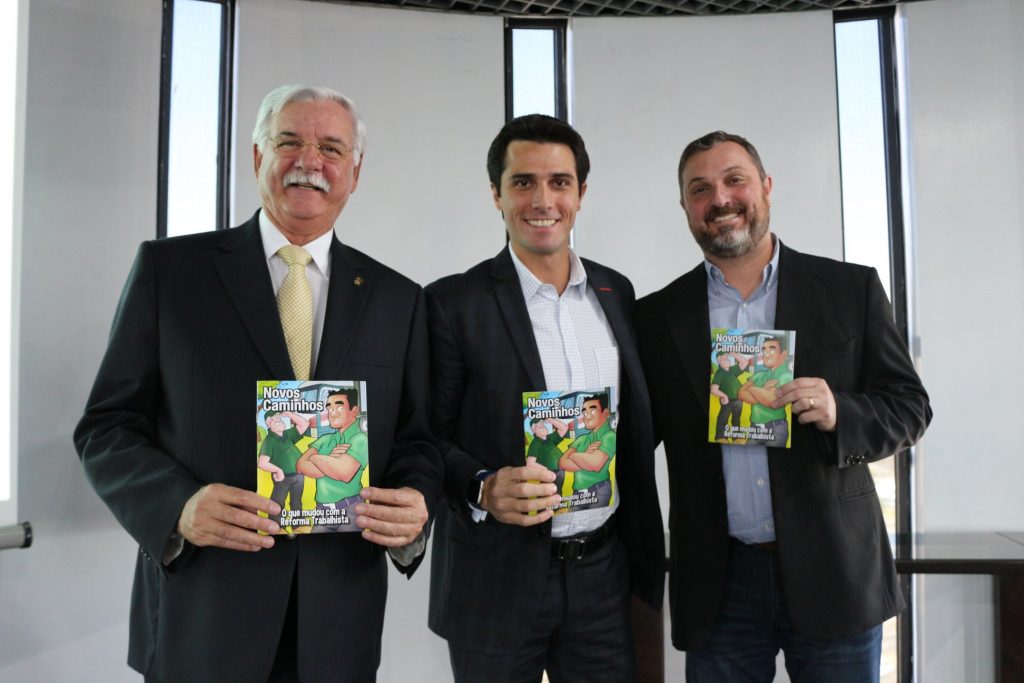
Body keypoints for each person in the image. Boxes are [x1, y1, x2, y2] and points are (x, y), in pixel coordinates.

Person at [74, 83, 440, 683]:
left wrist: (415, 504)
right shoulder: (172, 272)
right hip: (203, 611)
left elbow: (416, 439)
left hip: (338, 625)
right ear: (256, 157)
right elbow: (107, 427)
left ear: (355, 171)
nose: (309, 162)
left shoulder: (398, 299)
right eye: (289, 142)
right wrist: (178, 507)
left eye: (331, 148)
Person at [636, 131, 932, 682]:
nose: (720, 199)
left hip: (834, 571)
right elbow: (631, 434)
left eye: (735, 180)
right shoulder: (656, 316)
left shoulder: (850, 289)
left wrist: (841, 412)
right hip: (719, 583)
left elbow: (910, 407)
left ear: (766, 187)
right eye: (700, 189)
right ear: (685, 207)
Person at [426, 114, 664, 682]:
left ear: (581, 193)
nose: (542, 200)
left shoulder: (615, 291)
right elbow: (424, 436)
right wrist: (481, 487)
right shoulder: (453, 303)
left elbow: (634, 423)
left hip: (602, 574)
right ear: (496, 194)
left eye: (559, 182)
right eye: (523, 182)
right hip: (495, 577)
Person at [297, 387, 368, 532]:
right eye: (329, 409)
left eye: (339, 408)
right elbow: (300, 465)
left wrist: (315, 458)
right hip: (322, 513)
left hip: (350, 510)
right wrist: (331, 460)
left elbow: (344, 473)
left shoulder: (360, 439)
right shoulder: (326, 439)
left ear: (354, 411)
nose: (332, 413)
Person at [257, 409, 312, 524]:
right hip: (283, 478)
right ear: (268, 424)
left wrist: (288, 413)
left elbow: (305, 424)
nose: (278, 420)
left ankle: (298, 522)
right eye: (273, 420)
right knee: (278, 503)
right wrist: (278, 470)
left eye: (278, 418)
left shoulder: (287, 434)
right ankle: (275, 525)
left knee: (296, 502)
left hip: (298, 475)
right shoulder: (269, 440)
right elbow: (262, 463)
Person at [737, 336, 792, 447]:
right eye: (764, 350)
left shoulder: (786, 376)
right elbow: (740, 393)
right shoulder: (759, 375)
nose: (766, 354)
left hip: (776, 430)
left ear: (784, 354)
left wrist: (752, 389)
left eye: (771, 350)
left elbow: (772, 401)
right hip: (755, 431)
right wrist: (762, 392)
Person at [710, 351, 748, 442]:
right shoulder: (719, 373)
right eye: (723, 358)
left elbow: (744, 362)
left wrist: (733, 353)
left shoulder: (732, 370)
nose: (726, 359)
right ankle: (720, 437)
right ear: (718, 360)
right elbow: (713, 389)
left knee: (736, 419)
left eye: (727, 358)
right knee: (723, 418)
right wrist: (724, 396)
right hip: (727, 401)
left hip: (738, 400)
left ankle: (736, 436)